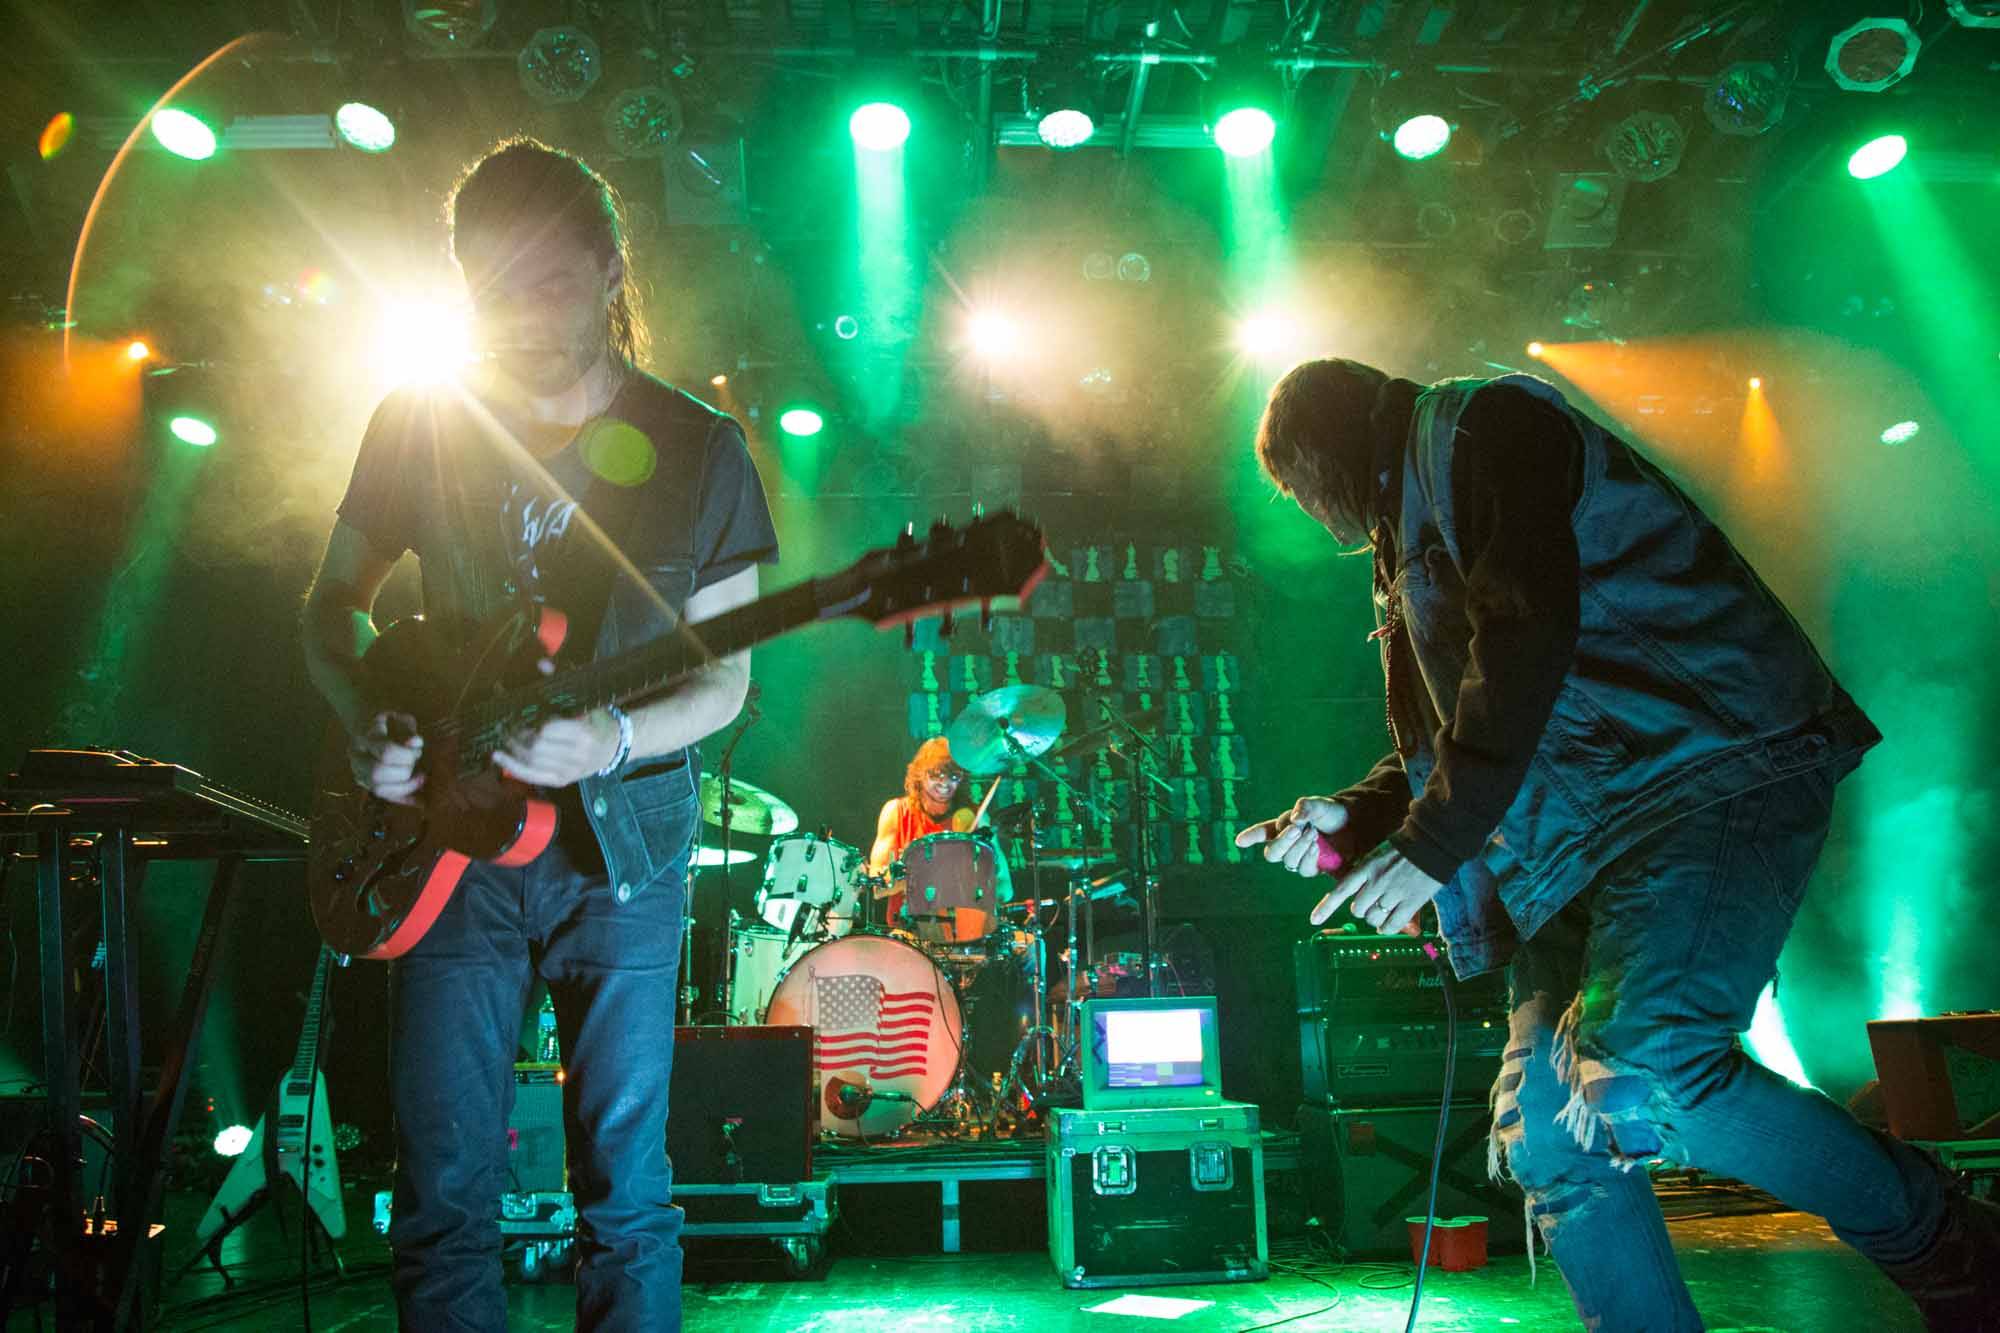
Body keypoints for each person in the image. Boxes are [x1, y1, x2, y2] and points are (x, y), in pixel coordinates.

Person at [1235, 358, 1997, 1331]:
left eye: (1298, 494)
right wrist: (1354, 814)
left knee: (1652, 1061)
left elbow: (1527, 632)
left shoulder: (1486, 426)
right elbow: (1452, 727)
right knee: (1549, 1133)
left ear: (1317, 458)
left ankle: (1952, 1246)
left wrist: (1434, 839)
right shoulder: (1406, 526)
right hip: (1574, 840)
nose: (1312, 518)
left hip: (1702, 772)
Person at [302, 137, 778, 1332]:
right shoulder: (419, 419)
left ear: (612, 270)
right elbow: (330, 605)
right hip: (445, 848)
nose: (520, 312)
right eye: (491, 284)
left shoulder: (696, 449)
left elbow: (725, 682)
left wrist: (612, 735)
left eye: (551, 280)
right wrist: (371, 723)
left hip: (621, 856)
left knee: (625, 1192)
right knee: (442, 1193)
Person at [867, 736, 976, 929]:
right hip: (908, 931)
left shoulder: (974, 818)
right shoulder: (896, 812)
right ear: (919, 774)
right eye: (936, 774)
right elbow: (877, 886)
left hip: (961, 928)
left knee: (1033, 947)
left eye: (953, 776)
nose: (945, 783)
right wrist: (928, 874)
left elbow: (1004, 887)